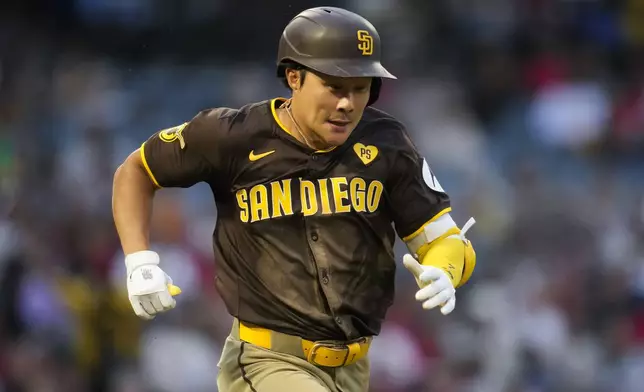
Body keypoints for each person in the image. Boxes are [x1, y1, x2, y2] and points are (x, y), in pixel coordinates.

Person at [111, 6, 476, 392]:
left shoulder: (386, 143)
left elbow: (446, 240)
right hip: (267, 361)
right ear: (293, 77)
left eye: (360, 88)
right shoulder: (235, 136)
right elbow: (135, 172)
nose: (347, 104)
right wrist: (139, 260)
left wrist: (444, 270)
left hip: (354, 369)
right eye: (335, 86)